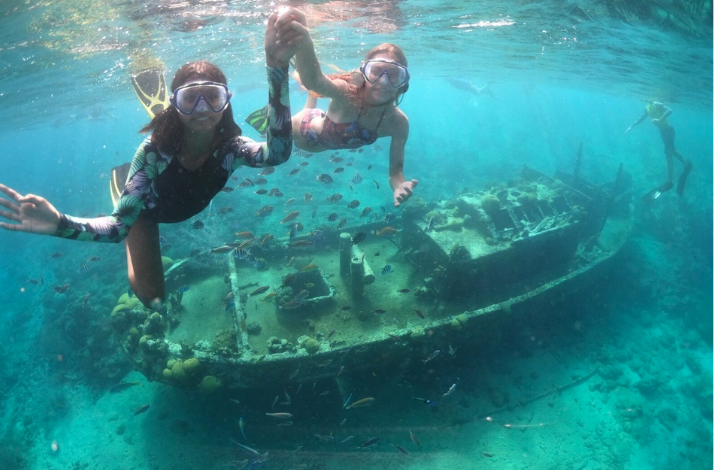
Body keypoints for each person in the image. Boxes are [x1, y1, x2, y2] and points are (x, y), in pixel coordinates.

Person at [0, 12, 303, 310]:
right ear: (177, 105)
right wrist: (59, 224)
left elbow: (278, 153)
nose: (201, 108)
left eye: (212, 97)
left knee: (154, 299)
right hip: (146, 211)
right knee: (153, 298)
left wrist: (276, 66)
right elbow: (118, 228)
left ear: (226, 102)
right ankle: (123, 184)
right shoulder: (153, 153)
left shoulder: (231, 149)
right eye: (189, 99)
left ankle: (158, 114)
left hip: (177, 193)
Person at [249, 8, 417, 207]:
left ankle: (310, 99)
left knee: (315, 104)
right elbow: (315, 80)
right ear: (364, 73)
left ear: (403, 83)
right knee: (275, 131)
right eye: (376, 72)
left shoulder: (398, 123)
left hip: (323, 129)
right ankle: (274, 113)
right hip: (302, 128)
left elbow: (396, 173)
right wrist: (304, 42)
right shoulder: (347, 93)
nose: (384, 82)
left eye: (394, 75)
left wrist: (398, 186)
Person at [625, 100, 693, 203]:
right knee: (672, 151)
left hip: (669, 131)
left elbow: (669, 110)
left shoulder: (656, 104)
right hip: (663, 133)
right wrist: (632, 126)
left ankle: (670, 181)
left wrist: (659, 119)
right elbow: (642, 118)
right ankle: (686, 164)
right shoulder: (647, 107)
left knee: (668, 153)